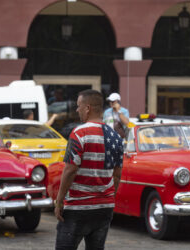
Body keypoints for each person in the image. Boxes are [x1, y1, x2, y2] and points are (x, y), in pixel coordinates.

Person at [54, 89, 123, 250]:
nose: (77, 110)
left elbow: (70, 170)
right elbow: (117, 175)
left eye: (79, 106)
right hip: (104, 208)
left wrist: (59, 201)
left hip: (78, 208)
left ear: (88, 108)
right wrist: (108, 199)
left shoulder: (79, 133)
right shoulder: (116, 137)